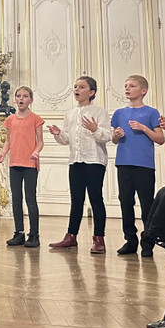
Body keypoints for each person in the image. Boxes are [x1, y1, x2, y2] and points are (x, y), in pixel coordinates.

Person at [47, 76, 111, 254]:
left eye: (82, 87)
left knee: (96, 199)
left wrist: (94, 129)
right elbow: (67, 139)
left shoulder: (99, 112)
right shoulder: (70, 113)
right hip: (75, 161)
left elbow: (107, 136)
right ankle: (71, 236)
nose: (76, 89)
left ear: (91, 92)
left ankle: (99, 239)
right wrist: (58, 134)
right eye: (75, 86)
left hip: (94, 160)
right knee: (76, 200)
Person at [110, 75, 164, 257]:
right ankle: (130, 240)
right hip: (123, 163)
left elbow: (160, 139)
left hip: (144, 165)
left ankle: (148, 241)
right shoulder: (119, 113)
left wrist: (144, 128)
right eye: (126, 85)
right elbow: (114, 140)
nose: (127, 88)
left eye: (132, 86)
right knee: (125, 202)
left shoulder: (152, 112)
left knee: (146, 203)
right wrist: (116, 135)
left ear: (143, 91)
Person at [0, 86, 44, 248]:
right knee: (16, 199)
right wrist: (3, 154)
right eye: (18, 96)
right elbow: (8, 141)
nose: (21, 99)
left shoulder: (36, 119)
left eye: (25, 96)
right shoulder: (10, 120)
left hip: (30, 164)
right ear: (15, 99)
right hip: (15, 164)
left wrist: (36, 152)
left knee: (30, 199)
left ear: (31, 100)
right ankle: (19, 233)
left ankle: (34, 234)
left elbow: (40, 142)